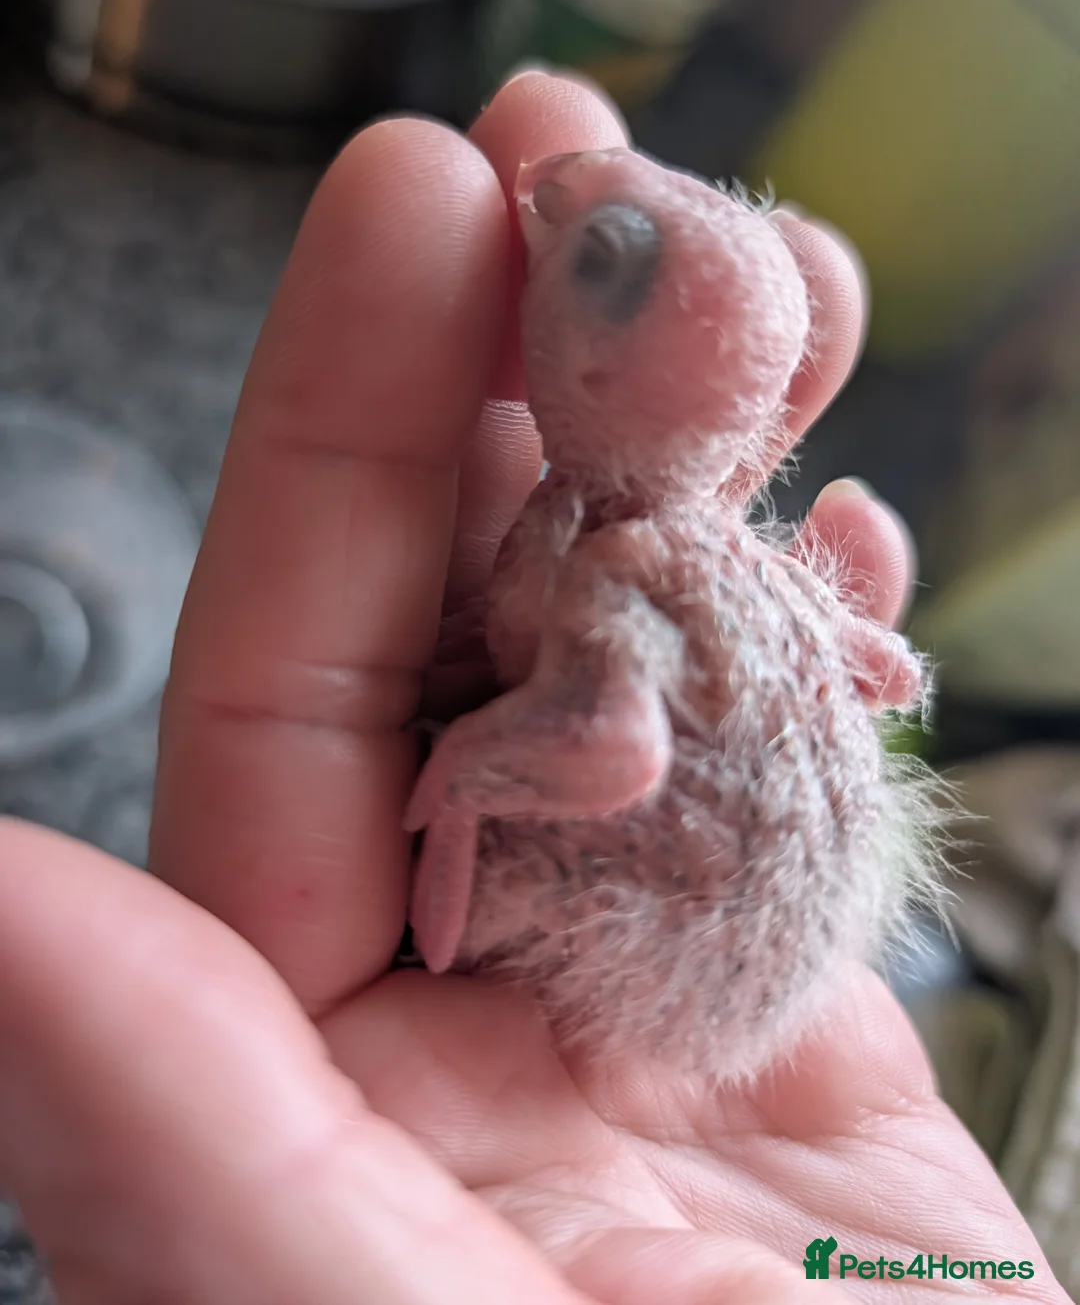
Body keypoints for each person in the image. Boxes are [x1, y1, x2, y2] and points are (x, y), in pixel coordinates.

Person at [0, 71, 1068, 1304]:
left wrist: (468, 768)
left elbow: (614, 753)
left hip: (655, 939)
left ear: (625, 380)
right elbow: (872, 666)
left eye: (604, 257)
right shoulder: (690, 542)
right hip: (753, 938)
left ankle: (476, 892)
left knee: (462, 810)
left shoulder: (611, 557)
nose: (556, 200)